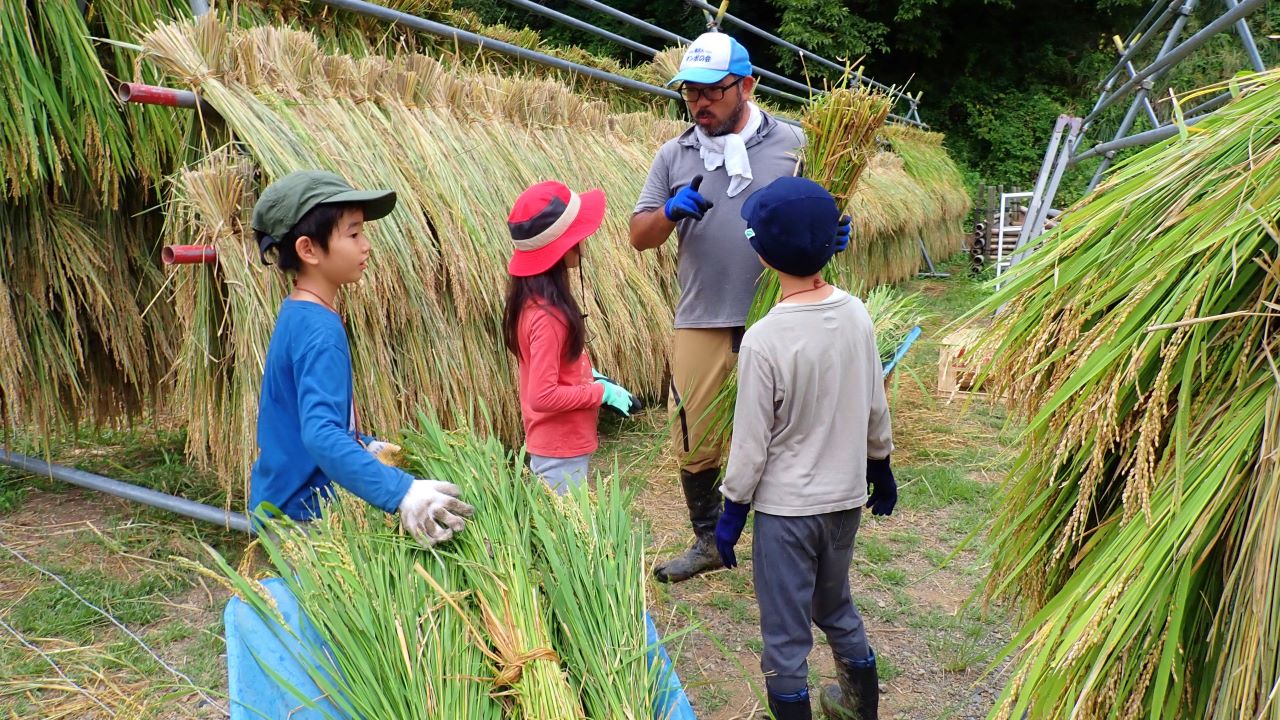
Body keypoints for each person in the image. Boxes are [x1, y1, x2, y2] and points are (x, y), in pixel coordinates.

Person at [713, 177, 898, 720]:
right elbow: (874, 405)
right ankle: (858, 707)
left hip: (786, 513)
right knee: (834, 602)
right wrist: (880, 465)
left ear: (765, 258)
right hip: (844, 501)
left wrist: (731, 512)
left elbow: (751, 443)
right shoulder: (857, 313)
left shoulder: (765, 338)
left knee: (786, 632)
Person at [630, 31, 806, 583]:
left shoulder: (792, 144)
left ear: (746, 86)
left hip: (778, 315)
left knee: (782, 434)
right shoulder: (675, 153)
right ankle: (708, 539)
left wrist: (834, 229)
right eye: (690, 93)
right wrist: (670, 214)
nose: (700, 104)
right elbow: (639, 235)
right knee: (695, 435)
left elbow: (823, 210)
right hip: (702, 314)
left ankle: (784, 541)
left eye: (713, 91)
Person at [248, 170, 473, 547]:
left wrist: (366, 445)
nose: (365, 245)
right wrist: (402, 492)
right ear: (308, 250)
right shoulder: (320, 330)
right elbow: (320, 433)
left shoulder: (299, 312)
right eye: (353, 234)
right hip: (302, 518)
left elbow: (311, 418)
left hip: (282, 501)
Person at [503, 180, 639, 494]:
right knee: (565, 538)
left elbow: (553, 369)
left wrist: (594, 377)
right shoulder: (550, 317)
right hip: (559, 449)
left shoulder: (532, 304)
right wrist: (599, 394)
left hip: (556, 445)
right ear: (563, 248)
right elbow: (543, 395)